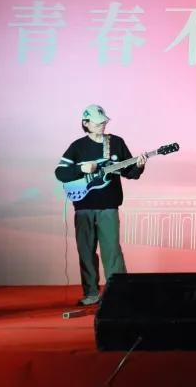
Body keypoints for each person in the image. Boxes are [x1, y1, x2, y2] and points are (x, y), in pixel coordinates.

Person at [54, 104, 147, 306]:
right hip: (83, 207)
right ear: (86, 123)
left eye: (103, 122)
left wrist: (139, 165)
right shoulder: (77, 146)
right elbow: (60, 173)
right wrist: (81, 169)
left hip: (109, 205)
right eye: (97, 123)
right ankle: (91, 293)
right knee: (86, 251)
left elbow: (130, 173)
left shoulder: (116, 143)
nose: (102, 125)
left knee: (112, 251)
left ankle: (119, 293)